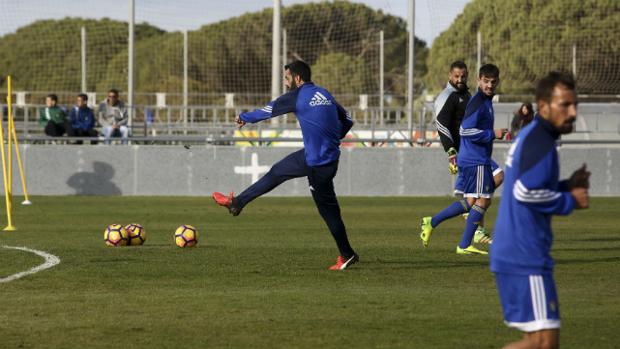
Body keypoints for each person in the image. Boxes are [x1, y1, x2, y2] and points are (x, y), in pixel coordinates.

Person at [212, 60, 358, 270]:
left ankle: (347, 254)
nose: (286, 83)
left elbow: (268, 110)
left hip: (318, 164)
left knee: (329, 211)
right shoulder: (324, 94)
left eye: (287, 78)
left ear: (297, 79)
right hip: (318, 157)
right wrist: (333, 139)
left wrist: (243, 117)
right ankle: (238, 203)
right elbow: (348, 120)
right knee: (277, 171)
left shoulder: (297, 95)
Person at [491, 72, 589, 349]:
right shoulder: (540, 141)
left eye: (574, 105)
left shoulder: (535, 135)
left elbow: (527, 185)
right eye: (564, 105)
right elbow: (524, 191)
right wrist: (570, 200)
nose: (572, 112)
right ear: (543, 106)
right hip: (524, 256)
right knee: (544, 342)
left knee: (536, 341)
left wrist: (567, 185)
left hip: (515, 252)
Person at [421, 64, 508, 255]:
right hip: (473, 157)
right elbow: (464, 130)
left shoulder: (480, 100)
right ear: (479, 80)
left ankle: (433, 222)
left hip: (476, 156)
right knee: (483, 200)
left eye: (493, 82)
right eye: (486, 81)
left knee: (472, 201)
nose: (490, 85)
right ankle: (466, 241)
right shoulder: (476, 101)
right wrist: (492, 134)